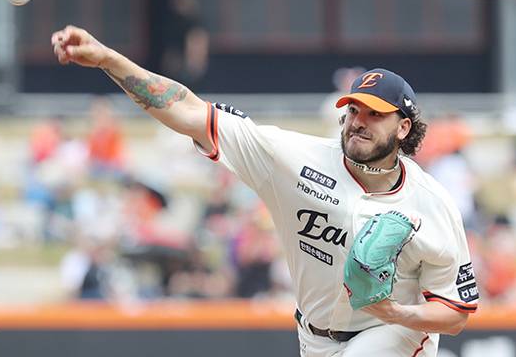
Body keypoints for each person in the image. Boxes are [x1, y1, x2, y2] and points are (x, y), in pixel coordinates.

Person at [51, 25, 479, 357]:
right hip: (314, 335)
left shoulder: (433, 203)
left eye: (375, 114)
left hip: (394, 332)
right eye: (353, 110)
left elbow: (455, 312)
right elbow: (187, 110)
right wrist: (108, 58)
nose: (358, 121)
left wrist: (399, 314)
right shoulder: (293, 159)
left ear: (403, 127)